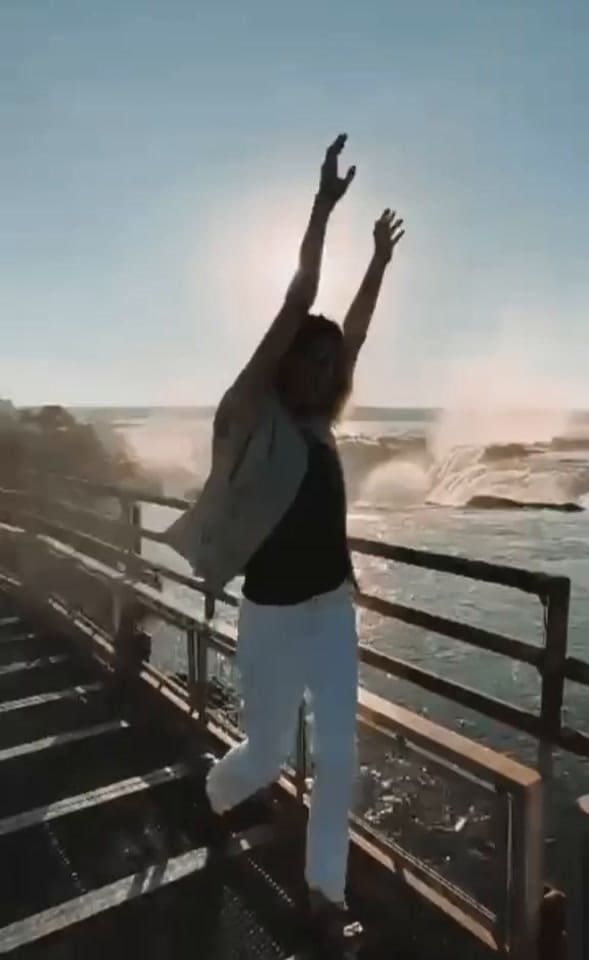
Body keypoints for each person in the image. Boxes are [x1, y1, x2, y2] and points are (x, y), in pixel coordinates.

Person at [165, 134, 404, 929]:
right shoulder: (249, 414)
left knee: (339, 757)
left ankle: (324, 896)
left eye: (334, 364)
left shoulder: (319, 427)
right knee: (265, 756)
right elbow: (298, 302)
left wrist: (378, 263)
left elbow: (357, 333)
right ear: (285, 362)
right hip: (268, 617)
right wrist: (322, 209)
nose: (330, 370)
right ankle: (211, 791)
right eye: (316, 358)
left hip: (332, 611)